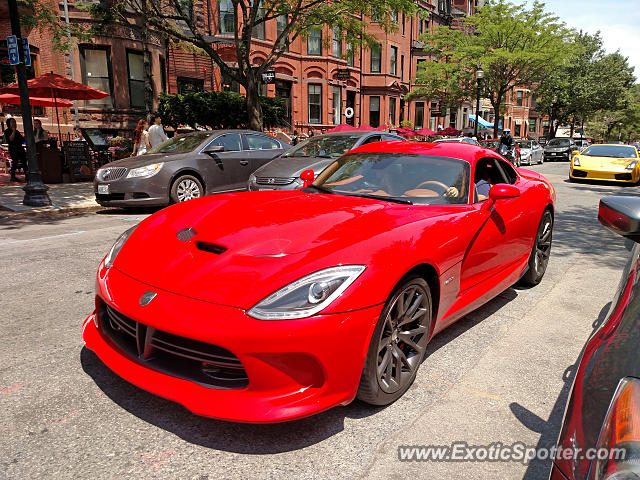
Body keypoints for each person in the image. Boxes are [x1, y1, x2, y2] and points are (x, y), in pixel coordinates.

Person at [4, 118, 27, 182]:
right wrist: (13, 131)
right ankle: (13, 177)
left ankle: (27, 176)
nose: (14, 123)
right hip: (13, 149)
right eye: (12, 122)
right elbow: (10, 139)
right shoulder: (7, 131)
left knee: (24, 161)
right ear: (9, 123)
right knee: (15, 162)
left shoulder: (17, 132)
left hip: (20, 148)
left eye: (14, 122)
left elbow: (22, 140)